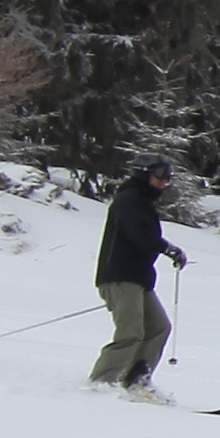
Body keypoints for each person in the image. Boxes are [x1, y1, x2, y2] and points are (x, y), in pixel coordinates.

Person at [89, 158, 181, 395]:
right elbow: (139, 234)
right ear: (143, 174)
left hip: (138, 278)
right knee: (130, 333)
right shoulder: (128, 199)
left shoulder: (142, 202)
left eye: (167, 177)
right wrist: (167, 248)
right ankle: (100, 383)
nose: (163, 182)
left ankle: (136, 380)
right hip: (120, 276)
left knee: (159, 327)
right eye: (159, 175)